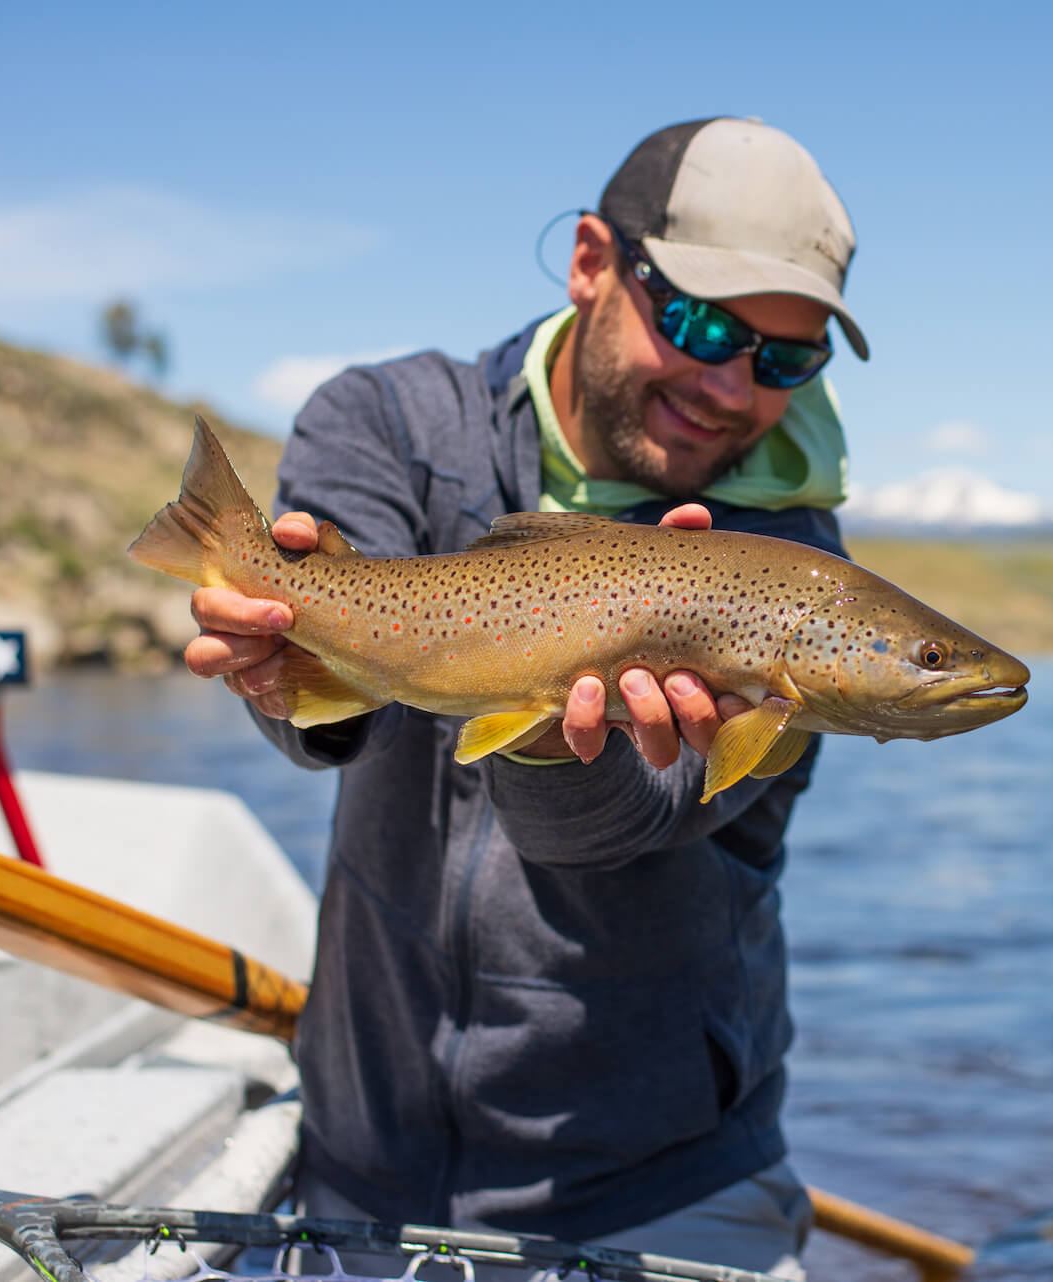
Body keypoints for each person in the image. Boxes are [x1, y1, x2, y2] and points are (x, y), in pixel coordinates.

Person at [182, 118, 869, 1280]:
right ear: (594, 261)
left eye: (784, 360)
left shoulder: (791, 571)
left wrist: (560, 736)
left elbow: (616, 832)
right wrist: (278, 660)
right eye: (702, 324)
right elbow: (335, 719)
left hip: (661, 1182)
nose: (729, 384)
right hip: (363, 1164)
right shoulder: (391, 422)